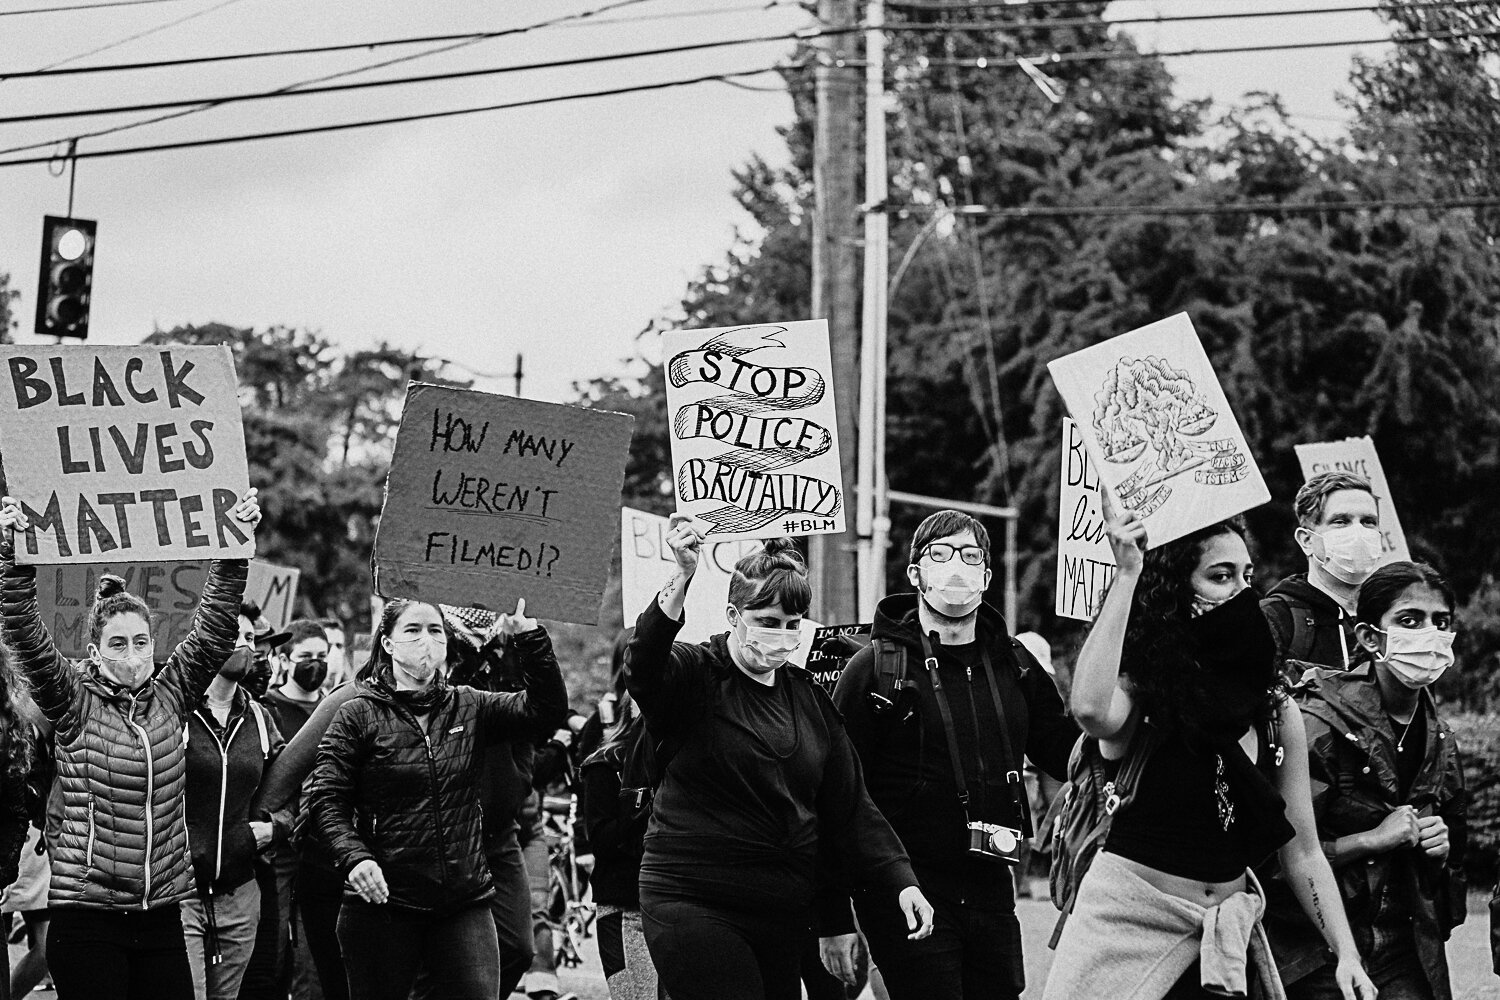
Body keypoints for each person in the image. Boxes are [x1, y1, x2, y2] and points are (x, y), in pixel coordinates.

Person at [1046, 500, 1377, 1000]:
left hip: (1223, 947)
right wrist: (1128, 575)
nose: (1242, 593)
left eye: (1247, 576)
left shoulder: (1274, 710)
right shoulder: (1144, 692)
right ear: (1177, 592)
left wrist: (1346, 952)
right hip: (1125, 932)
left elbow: (1303, 851)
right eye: (1221, 577)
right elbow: (1091, 710)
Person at [628, 518, 935, 1000]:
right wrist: (681, 575)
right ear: (733, 615)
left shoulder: (809, 699)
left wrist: (901, 880)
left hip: (780, 910)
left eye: (792, 625)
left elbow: (851, 807)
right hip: (693, 898)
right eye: (767, 622)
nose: (781, 634)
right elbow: (643, 666)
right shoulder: (696, 674)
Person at [0, 490, 261, 1000]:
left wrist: (234, 549)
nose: (133, 654)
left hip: (161, 913)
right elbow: (24, 632)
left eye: (141, 642)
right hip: (87, 918)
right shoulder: (72, 703)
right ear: (94, 654)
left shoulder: (172, 696)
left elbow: (213, 628)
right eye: (118, 644)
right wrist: (12, 554)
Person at [827, 511, 1079, 998]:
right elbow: (838, 797)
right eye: (939, 555)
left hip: (991, 884)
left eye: (969, 556)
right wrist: (833, 913)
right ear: (915, 573)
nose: (955, 568)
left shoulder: (1016, 666)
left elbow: (1069, 752)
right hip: (906, 886)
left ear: (987, 575)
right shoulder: (875, 670)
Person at [306, 596, 568, 1000]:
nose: (426, 640)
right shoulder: (357, 714)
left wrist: (528, 637)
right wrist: (355, 857)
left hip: (462, 901)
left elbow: (545, 711)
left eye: (435, 631)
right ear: (388, 643)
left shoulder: (470, 705)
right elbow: (326, 798)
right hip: (385, 901)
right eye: (412, 630)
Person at [1264, 561, 1466, 999]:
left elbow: (1453, 868)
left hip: (1408, 950)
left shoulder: (1442, 739)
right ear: (1370, 638)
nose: (1428, 634)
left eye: (1441, 622)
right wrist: (1369, 840)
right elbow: (1274, 862)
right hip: (1317, 954)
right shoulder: (1316, 724)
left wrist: (1440, 848)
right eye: (1410, 620)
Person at [181, 609, 289, 1000]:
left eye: (248, 636)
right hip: (181, 892)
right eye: (232, 634)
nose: (244, 644)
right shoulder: (176, 711)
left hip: (240, 894)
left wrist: (276, 827)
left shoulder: (260, 719)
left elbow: (295, 786)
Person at [1263, 472, 1383, 677]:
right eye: (1341, 521)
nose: (1359, 533)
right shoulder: (1275, 618)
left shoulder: (1390, 615)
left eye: (1368, 521)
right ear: (1306, 541)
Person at [579, 694, 659, 1000]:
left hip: (673, 908)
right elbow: (602, 839)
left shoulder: (683, 761)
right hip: (627, 908)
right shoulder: (604, 765)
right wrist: (638, 807)